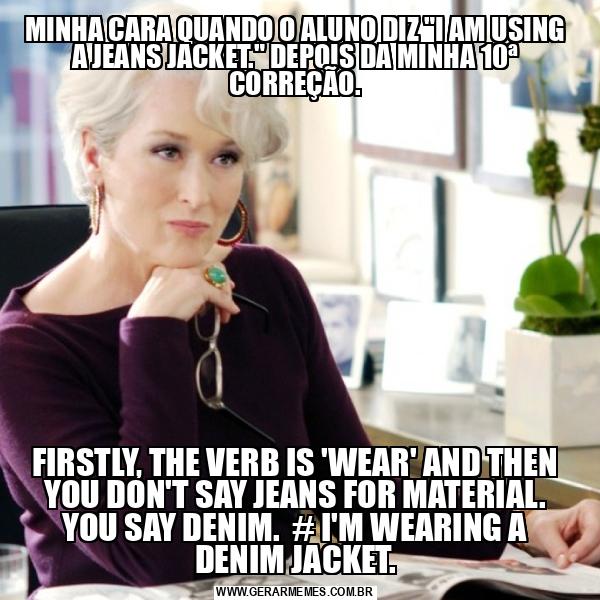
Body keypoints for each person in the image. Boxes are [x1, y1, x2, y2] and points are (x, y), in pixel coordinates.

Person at [0, 1, 599, 593]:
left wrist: (521, 522)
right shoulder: (24, 354)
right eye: (168, 151)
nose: (199, 193)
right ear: (94, 154)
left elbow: (353, 489)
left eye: (225, 157)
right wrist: (152, 332)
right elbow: (158, 553)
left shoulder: (267, 284)